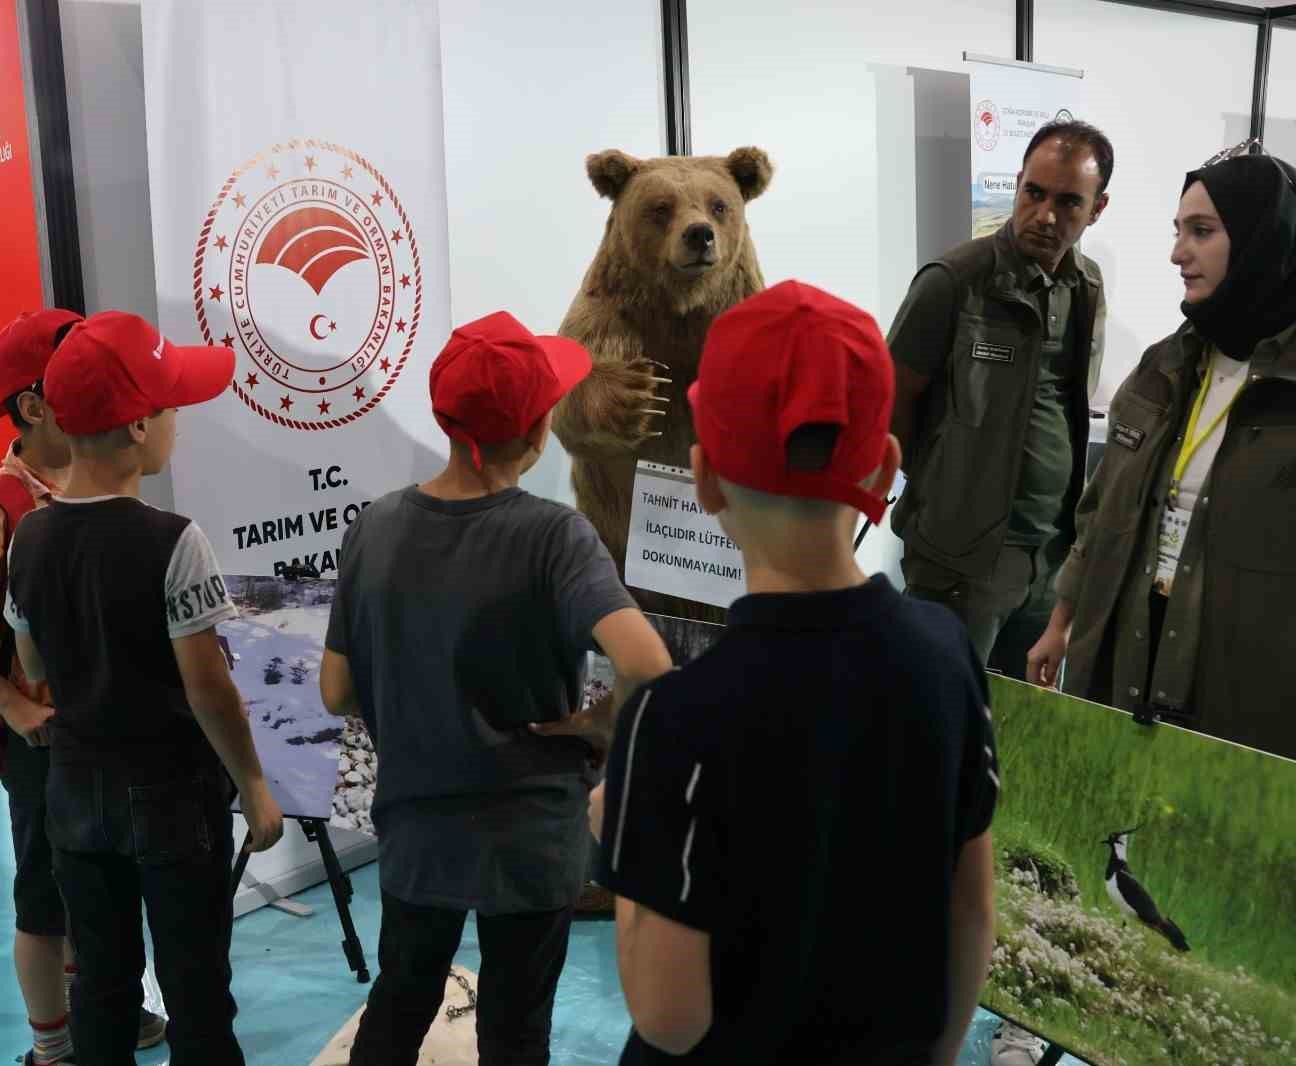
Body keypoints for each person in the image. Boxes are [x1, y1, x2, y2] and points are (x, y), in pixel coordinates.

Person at [592, 281, 999, 1064]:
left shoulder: (676, 718)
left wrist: (624, 836)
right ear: (883, 470)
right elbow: (971, 912)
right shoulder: (948, 656)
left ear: (704, 478)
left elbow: (671, 1018)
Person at [319, 311, 674, 1066]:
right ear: (540, 430)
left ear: (443, 417)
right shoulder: (554, 536)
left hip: (419, 833)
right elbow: (647, 663)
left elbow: (335, 692)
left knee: (400, 1003)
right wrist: (600, 725)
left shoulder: (375, 526)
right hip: (532, 841)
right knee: (515, 1031)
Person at [4, 311, 285, 1066]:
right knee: (196, 987)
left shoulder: (28, 534)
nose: (177, 424)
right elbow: (207, 688)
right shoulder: (174, 540)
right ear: (135, 427)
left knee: (101, 984)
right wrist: (253, 785)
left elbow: (31, 663)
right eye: (169, 409)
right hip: (169, 796)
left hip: (73, 790)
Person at [0, 309, 167, 1065]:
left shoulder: (88, 480)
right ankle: (52, 1050)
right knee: (46, 897)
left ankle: (103, 1009)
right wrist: (10, 700)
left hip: (95, 735)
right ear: (35, 407)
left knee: (96, 887)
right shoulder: (2, 511)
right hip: (44, 745)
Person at [1027, 148, 1296, 761]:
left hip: (1244, 682)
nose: (1179, 254)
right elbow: (1101, 514)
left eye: (1201, 232)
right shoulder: (1164, 368)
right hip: (1129, 645)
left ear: (1263, 239)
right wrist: (1061, 621)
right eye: (1178, 232)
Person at [887, 119, 1113, 680]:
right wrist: (943, 495)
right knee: (937, 725)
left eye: (1068, 202)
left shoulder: (1086, 287)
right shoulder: (954, 282)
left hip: (1048, 561)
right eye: (1034, 193)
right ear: (1017, 184)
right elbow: (891, 397)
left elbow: (1069, 404)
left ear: (1097, 208)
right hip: (960, 562)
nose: (1045, 215)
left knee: (1020, 742)